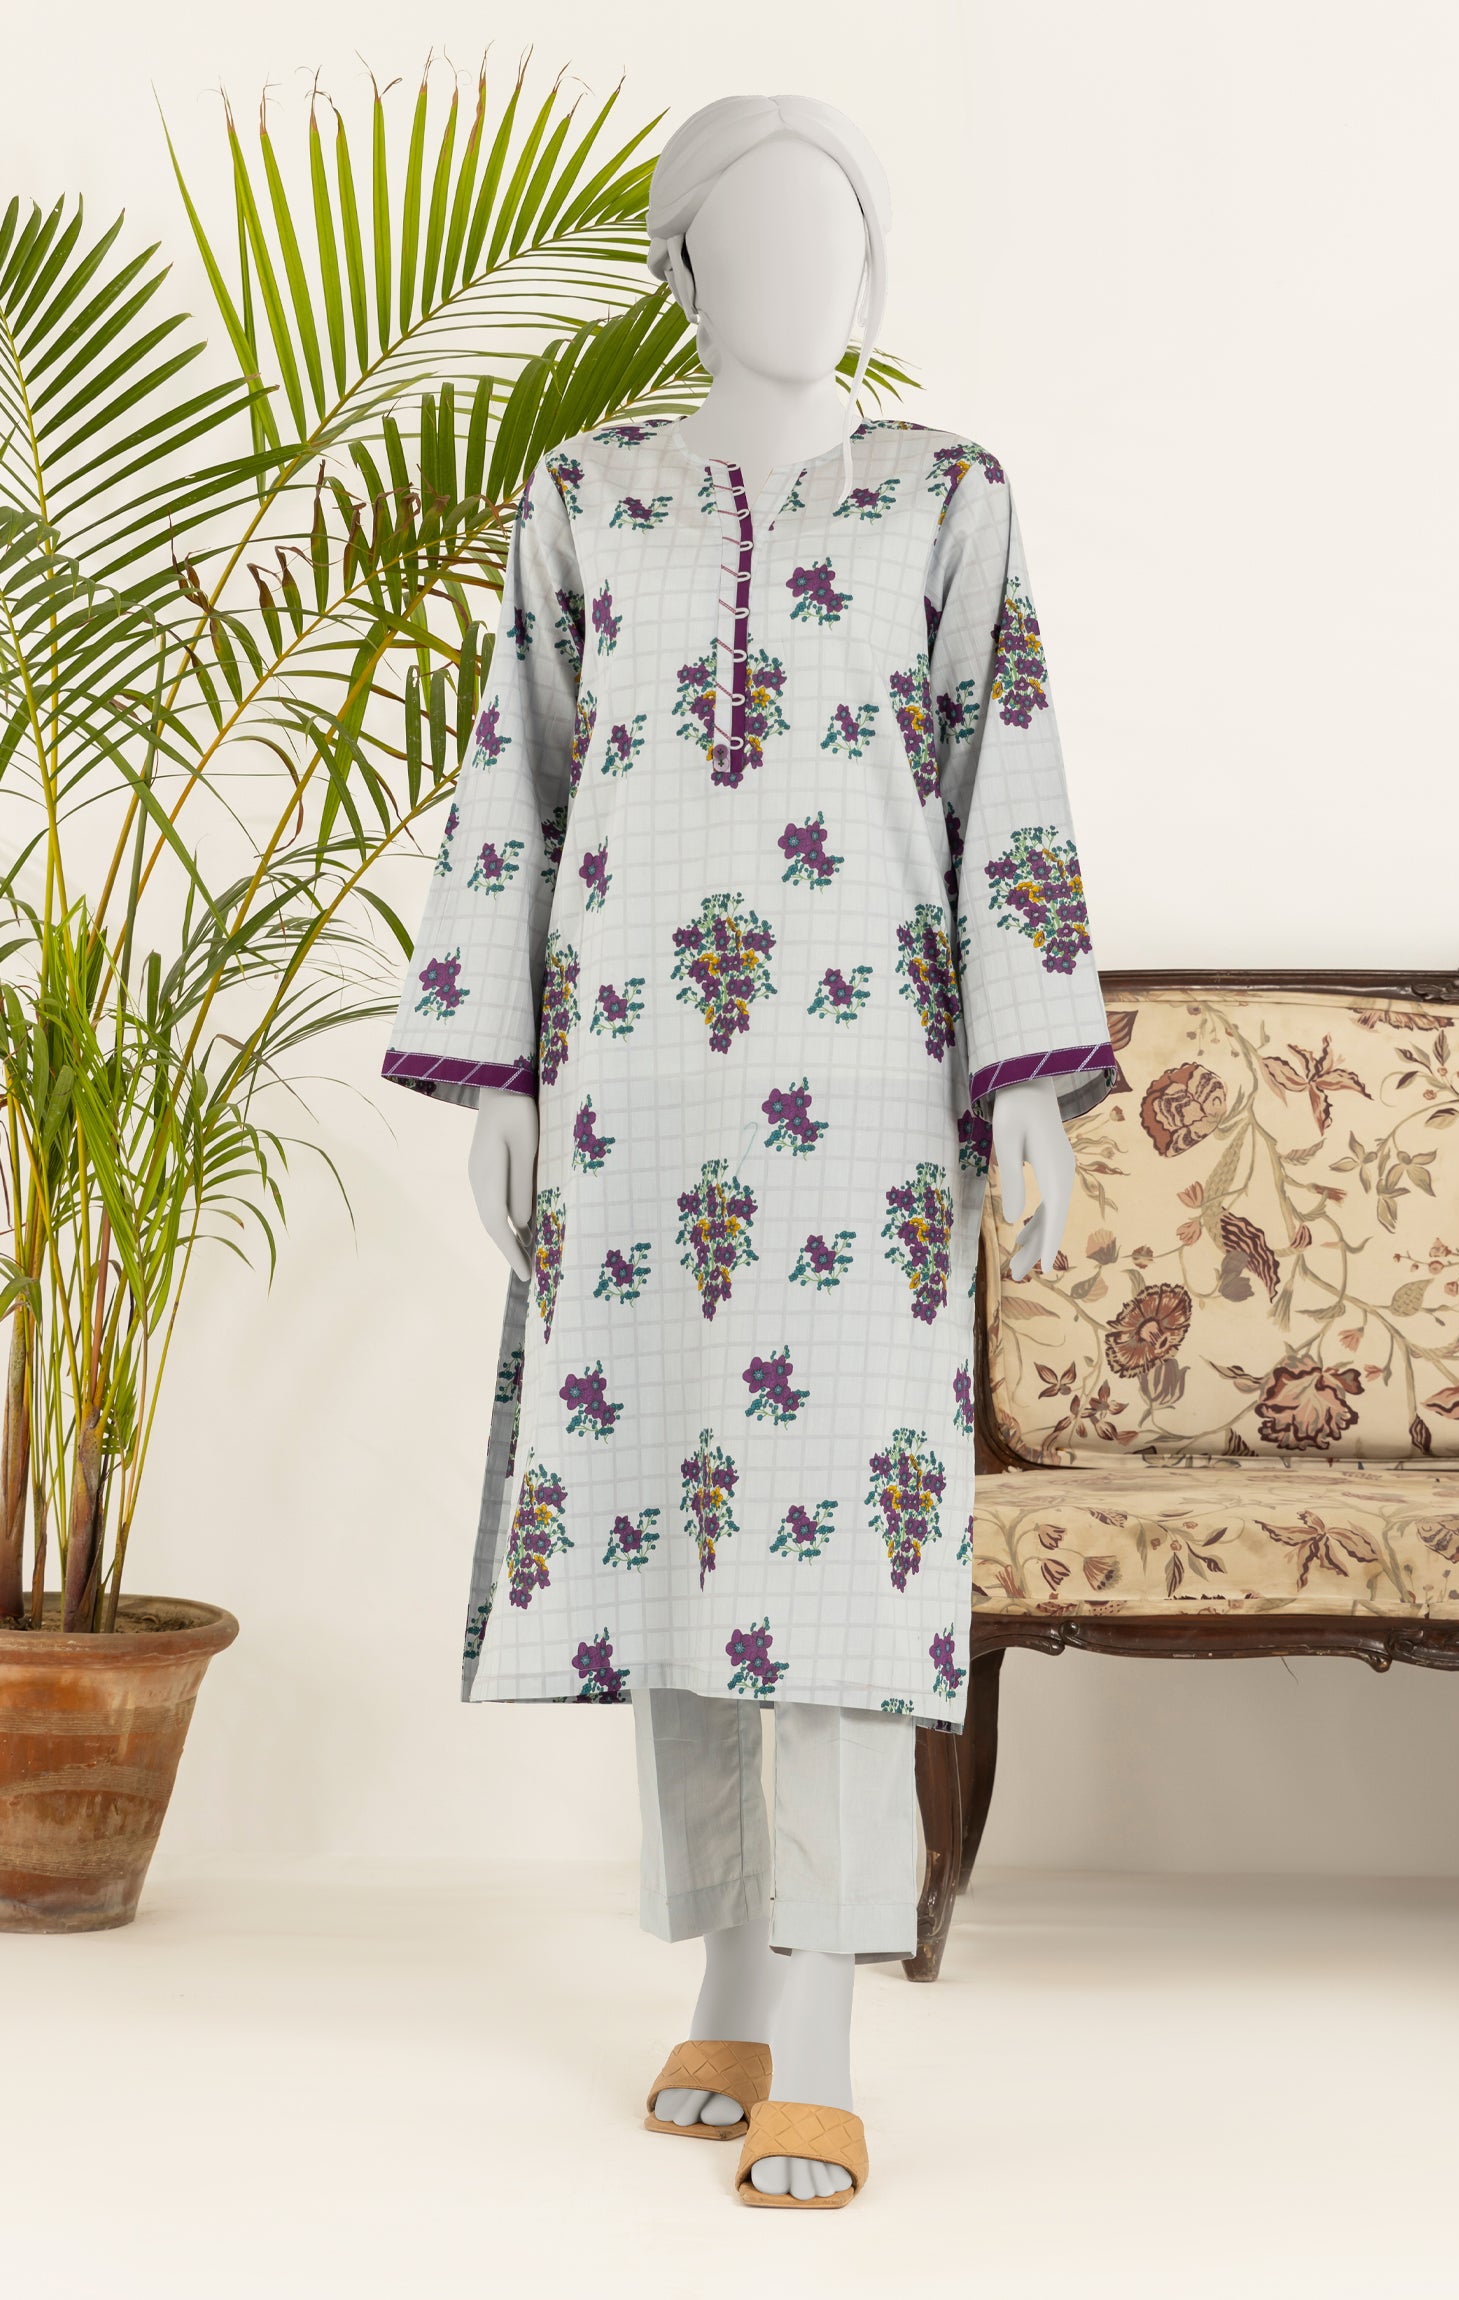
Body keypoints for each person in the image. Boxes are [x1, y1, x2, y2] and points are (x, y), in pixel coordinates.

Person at [383, 92, 1115, 2208]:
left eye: (837, 236)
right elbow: (514, 786)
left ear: (871, 271)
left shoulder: (946, 498)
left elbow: (1003, 779)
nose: (805, 276)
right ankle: (722, 1973)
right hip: (633, 1096)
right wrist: (504, 1078)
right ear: (686, 271)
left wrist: (1026, 1081)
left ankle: (825, 2019)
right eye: (759, 238)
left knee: (844, 1554)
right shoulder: (585, 494)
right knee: (674, 1535)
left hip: (864, 1102)